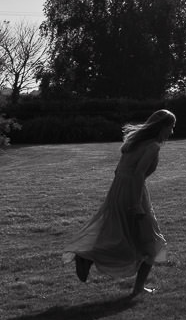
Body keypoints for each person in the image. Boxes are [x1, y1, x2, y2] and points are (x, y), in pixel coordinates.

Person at [65, 109, 175, 298]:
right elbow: (139, 174)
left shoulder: (134, 143)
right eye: (171, 127)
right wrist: (136, 204)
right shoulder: (152, 146)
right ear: (162, 127)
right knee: (150, 243)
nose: (171, 132)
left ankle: (88, 258)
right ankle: (89, 258)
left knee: (123, 235)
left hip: (119, 191)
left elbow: (119, 171)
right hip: (134, 193)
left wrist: (121, 195)